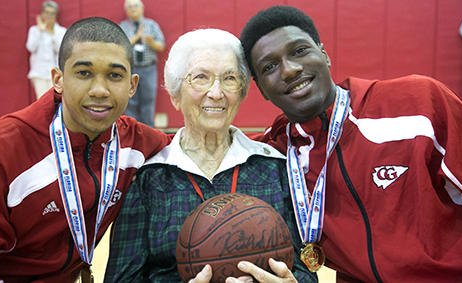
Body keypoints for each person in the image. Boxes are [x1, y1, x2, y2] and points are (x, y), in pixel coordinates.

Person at [237, 5, 462, 283]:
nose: (290, 70)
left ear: (324, 54)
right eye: (270, 66)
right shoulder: (274, 154)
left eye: (299, 51)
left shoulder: (419, 105)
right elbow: (190, 144)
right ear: (260, 88)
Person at [103, 28, 317, 283]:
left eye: (229, 79)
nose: (216, 93)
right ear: (174, 94)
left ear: (241, 92)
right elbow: (121, 279)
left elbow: (306, 271)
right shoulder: (148, 179)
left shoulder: (276, 168)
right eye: (201, 78)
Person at [0, 17, 170, 282]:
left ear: (132, 85)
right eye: (84, 73)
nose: (100, 90)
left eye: (114, 75)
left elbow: (193, 149)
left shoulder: (136, 142)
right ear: (58, 80)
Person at [119, 0, 165, 127]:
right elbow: (120, 46)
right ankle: (131, 131)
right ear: (126, 10)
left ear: (142, 8)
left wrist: (151, 42)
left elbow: (161, 46)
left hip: (148, 68)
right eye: (129, 7)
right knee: (129, 101)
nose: (133, 9)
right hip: (129, 69)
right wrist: (137, 36)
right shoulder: (122, 26)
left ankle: (148, 131)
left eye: (135, 6)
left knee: (148, 101)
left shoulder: (151, 25)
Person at [26, 1, 66, 99]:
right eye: (47, 13)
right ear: (42, 14)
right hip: (38, 72)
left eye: (52, 13)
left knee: (55, 100)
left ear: (56, 15)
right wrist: (41, 30)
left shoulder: (61, 31)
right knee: (42, 100)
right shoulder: (34, 30)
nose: (49, 16)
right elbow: (31, 47)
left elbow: (61, 51)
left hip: (55, 72)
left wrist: (52, 33)